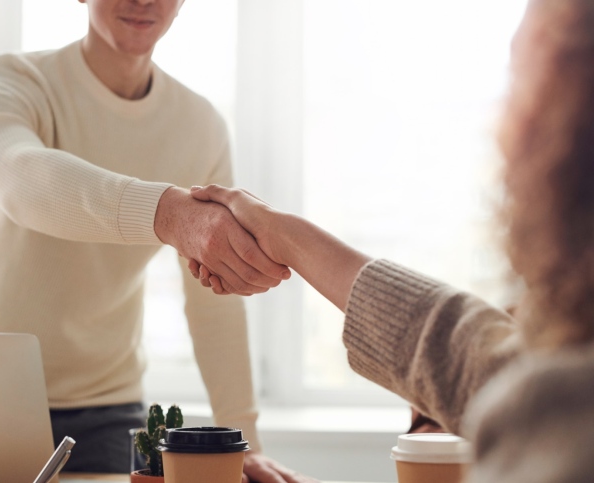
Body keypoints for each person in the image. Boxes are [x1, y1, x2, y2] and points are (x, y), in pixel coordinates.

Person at [188, 0, 594, 480]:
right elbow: (472, 357)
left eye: (525, 89)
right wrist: (288, 237)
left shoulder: (563, 416)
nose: (502, 129)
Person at [0, 0, 306, 481]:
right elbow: (22, 182)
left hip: (107, 411)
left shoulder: (200, 126)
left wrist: (243, 441)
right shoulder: (8, 82)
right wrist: (168, 214)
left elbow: (212, 300)